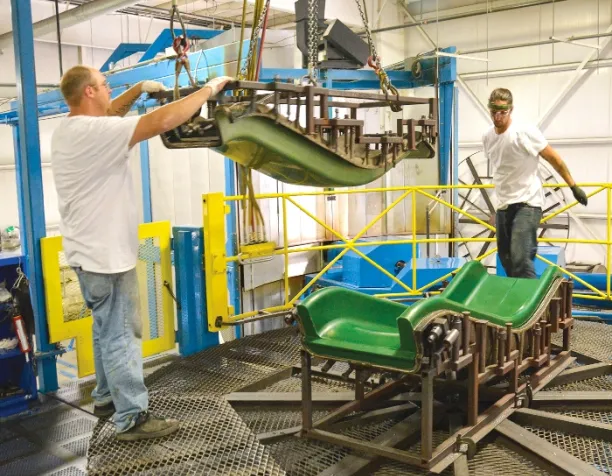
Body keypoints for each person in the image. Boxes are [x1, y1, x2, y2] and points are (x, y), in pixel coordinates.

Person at [51, 65, 232, 441]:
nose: (108, 89)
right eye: (104, 85)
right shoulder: (96, 131)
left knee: (104, 330)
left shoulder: (69, 128)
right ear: (88, 93)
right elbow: (163, 119)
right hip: (106, 256)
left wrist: (136, 89)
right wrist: (208, 91)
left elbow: (112, 113)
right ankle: (132, 418)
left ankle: (104, 398)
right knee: (121, 336)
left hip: (87, 253)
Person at [482, 88, 587, 279]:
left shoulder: (524, 132)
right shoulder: (488, 137)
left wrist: (573, 186)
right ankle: (517, 300)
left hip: (528, 203)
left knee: (521, 258)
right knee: (506, 258)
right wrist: (496, 208)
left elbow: (554, 159)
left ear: (510, 110)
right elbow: (500, 171)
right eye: (494, 112)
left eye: (502, 112)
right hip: (504, 206)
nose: (498, 117)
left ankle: (535, 306)